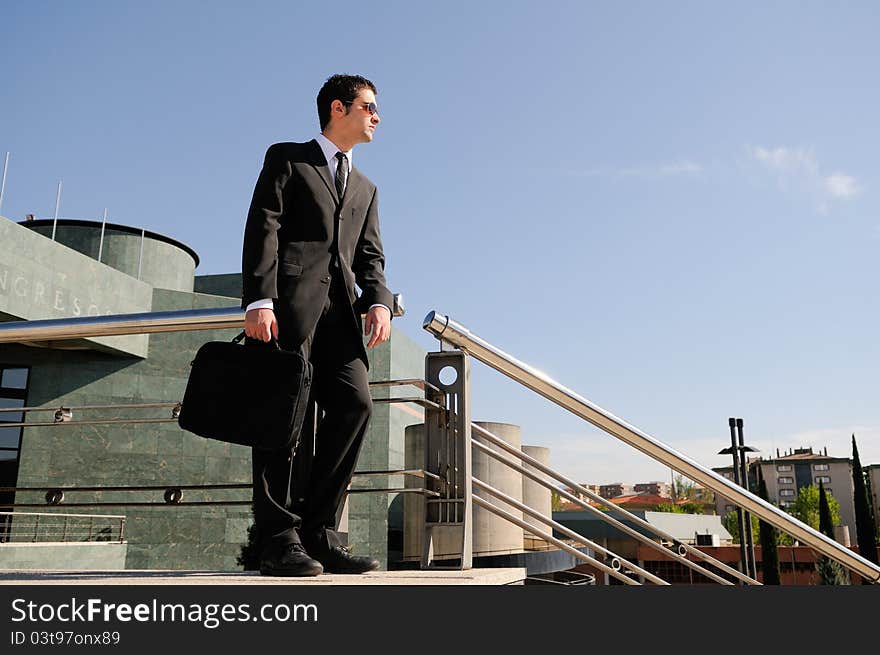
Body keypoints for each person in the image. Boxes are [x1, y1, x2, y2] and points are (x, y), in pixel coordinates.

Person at [240, 74, 393, 576]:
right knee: (283, 419)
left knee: (356, 404)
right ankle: (276, 540)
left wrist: (380, 302)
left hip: (341, 317)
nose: (377, 117)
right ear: (337, 108)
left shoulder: (367, 187)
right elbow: (265, 224)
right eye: (369, 107)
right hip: (288, 308)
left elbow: (370, 256)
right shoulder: (288, 157)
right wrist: (260, 298)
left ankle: (318, 532)